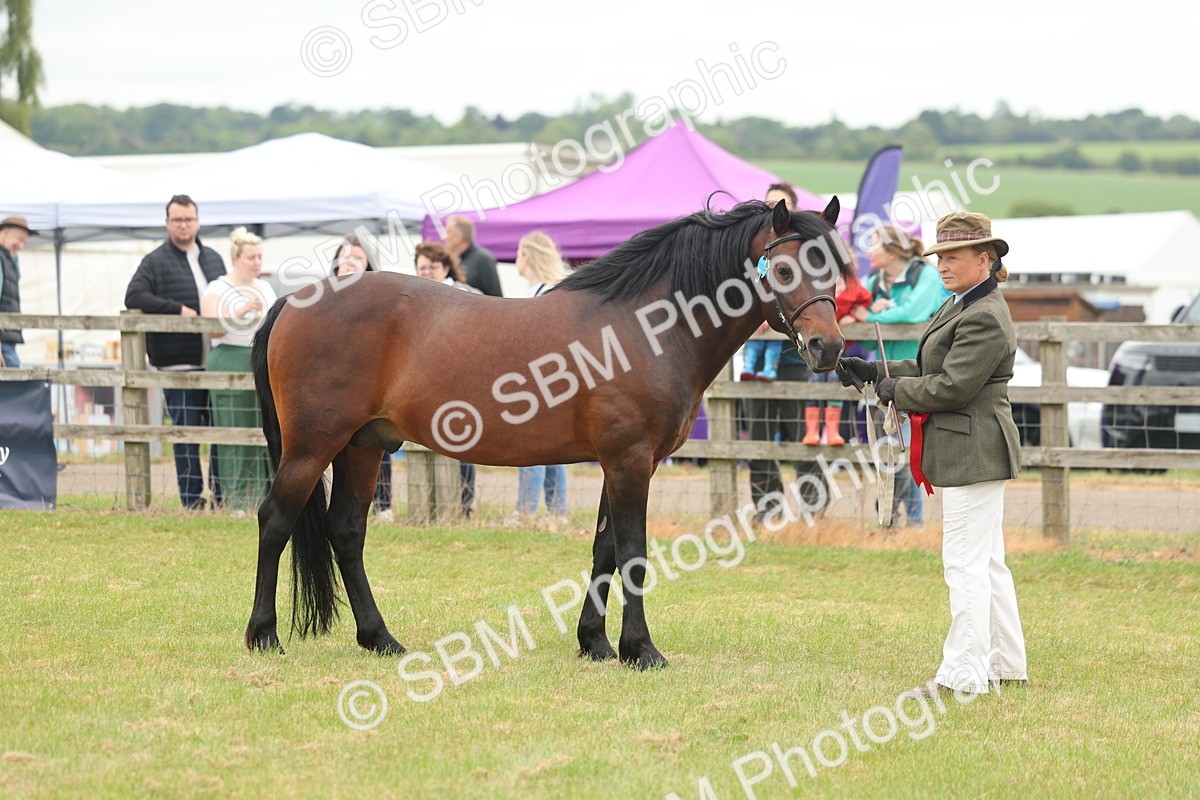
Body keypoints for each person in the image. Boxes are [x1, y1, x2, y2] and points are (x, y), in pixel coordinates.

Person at [839, 211, 1027, 696]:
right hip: (973, 448)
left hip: (975, 448)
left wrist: (892, 390)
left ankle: (964, 674)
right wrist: (873, 368)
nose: (942, 264)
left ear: (984, 259)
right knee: (985, 562)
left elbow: (951, 387)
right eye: (939, 256)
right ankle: (1006, 662)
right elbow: (928, 365)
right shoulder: (961, 304)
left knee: (964, 563)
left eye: (953, 256)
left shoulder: (984, 315)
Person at [124, 195, 227, 509]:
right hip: (177, 362)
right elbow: (134, 295)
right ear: (167, 223)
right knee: (185, 434)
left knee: (222, 432)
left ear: (197, 221)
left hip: (215, 359)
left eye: (189, 219)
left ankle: (222, 497)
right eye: (177, 220)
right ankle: (192, 501)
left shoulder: (214, 258)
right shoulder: (154, 261)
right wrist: (176, 310)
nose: (184, 225)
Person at [851, 225, 949, 526]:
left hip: (918, 377)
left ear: (892, 250)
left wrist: (874, 315)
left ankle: (910, 520)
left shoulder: (926, 276)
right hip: (882, 380)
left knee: (905, 453)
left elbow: (913, 312)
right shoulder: (873, 282)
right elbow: (867, 338)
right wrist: (872, 316)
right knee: (889, 455)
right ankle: (896, 519)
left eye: (875, 245)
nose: (869, 252)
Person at [746, 182, 828, 525]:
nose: (774, 211)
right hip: (753, 363)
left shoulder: (802, 255)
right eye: (769, 206)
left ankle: (813, 506)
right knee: (758, 435)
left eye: (781, 207)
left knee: (800, 433)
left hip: (794, 356)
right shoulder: (750, 260)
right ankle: (767, 508)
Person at [201, 227, 277, 514]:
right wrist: (242, 310)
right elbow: (210, 328)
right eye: (251, 257)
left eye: (259, 256)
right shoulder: (218, 288)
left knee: (264, 428)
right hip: (229, 357)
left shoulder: (265, 287)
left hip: (261, 360)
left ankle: (266, 495)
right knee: (235, 429)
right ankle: (236, 498)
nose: (257, 262)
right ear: (236, 257)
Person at [415, 241, 483, 518]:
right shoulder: (414, 298)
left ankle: (465, 504)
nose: (427, 272)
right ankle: (426, 509)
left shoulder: (468, 294)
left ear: (445, 268)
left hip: (465, 381)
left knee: (467, 442)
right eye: (422, 267)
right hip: (428, 383)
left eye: (432, 267)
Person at [329, 234, 394, 520]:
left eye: (357, 257)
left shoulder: (380, 302)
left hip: (372, 390)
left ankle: (383, 503)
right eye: (345, 257)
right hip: (337, 387)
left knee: (378, 445)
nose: (350, 262)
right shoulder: (323, 300)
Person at [508, 231, 569, 528]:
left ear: (528, 256)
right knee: (552, 449)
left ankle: (525, 511)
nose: (516, 259)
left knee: (530, 446)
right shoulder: (553, 290)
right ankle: (557, 512)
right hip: (554, 378)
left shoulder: (542, 293)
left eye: (519, 253)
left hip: (538, 378)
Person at [802, 272, 872, 447]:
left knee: (835, 385)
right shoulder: (815, 288)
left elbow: (866, 299)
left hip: (840, 350)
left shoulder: (853, 290)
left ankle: (833, 431)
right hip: (817, 348)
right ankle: (812, 431)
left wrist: (855, 316)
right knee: (814, 385)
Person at [0, 215, 36, 368]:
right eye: (19, 239)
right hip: (3, 342)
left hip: (6, 340)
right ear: (5, 232)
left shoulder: (7, 259)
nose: (21, 246)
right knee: (13, 388)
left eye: (24, 242)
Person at [444, 215, 503, 297]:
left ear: (459, 237)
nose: (445, 238)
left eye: (448, 232)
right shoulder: (456, 258)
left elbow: (496, 297)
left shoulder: (483, 259)